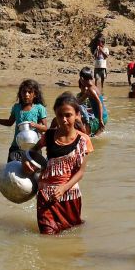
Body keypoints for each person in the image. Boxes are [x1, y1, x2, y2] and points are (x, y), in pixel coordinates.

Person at [24, 92, 93, 235]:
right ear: (55, 115)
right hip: (46, 196)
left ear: (77, 114)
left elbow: (80, 172)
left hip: (69, 196)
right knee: (47, 235)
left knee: (71, 233)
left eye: (68, 115)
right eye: (60, 115)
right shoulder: (48, 136)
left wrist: (63, 188)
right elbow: (32, 152)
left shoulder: (84, 140)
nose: (64, 119)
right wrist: (27, 162)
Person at [0, 79, 48, 162]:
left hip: (33, 146)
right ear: (20, 94)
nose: (26, 94)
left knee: (35, 172)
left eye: (30, 92)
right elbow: (9, 123)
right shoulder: (16, 107)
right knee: (11, 171)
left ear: (35, 94)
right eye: (24, 92)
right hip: (16, 146)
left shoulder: (39, 108)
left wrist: (36, 125)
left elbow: (45, 128)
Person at [76, 67, 108, 136]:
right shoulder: (93, 87)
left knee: (85, 135)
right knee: (94, 137)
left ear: (81, 79)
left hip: (100, 117)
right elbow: (79, 101)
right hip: (103, 116)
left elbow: (99, 103)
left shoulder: (91, 90)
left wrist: (100, 120)